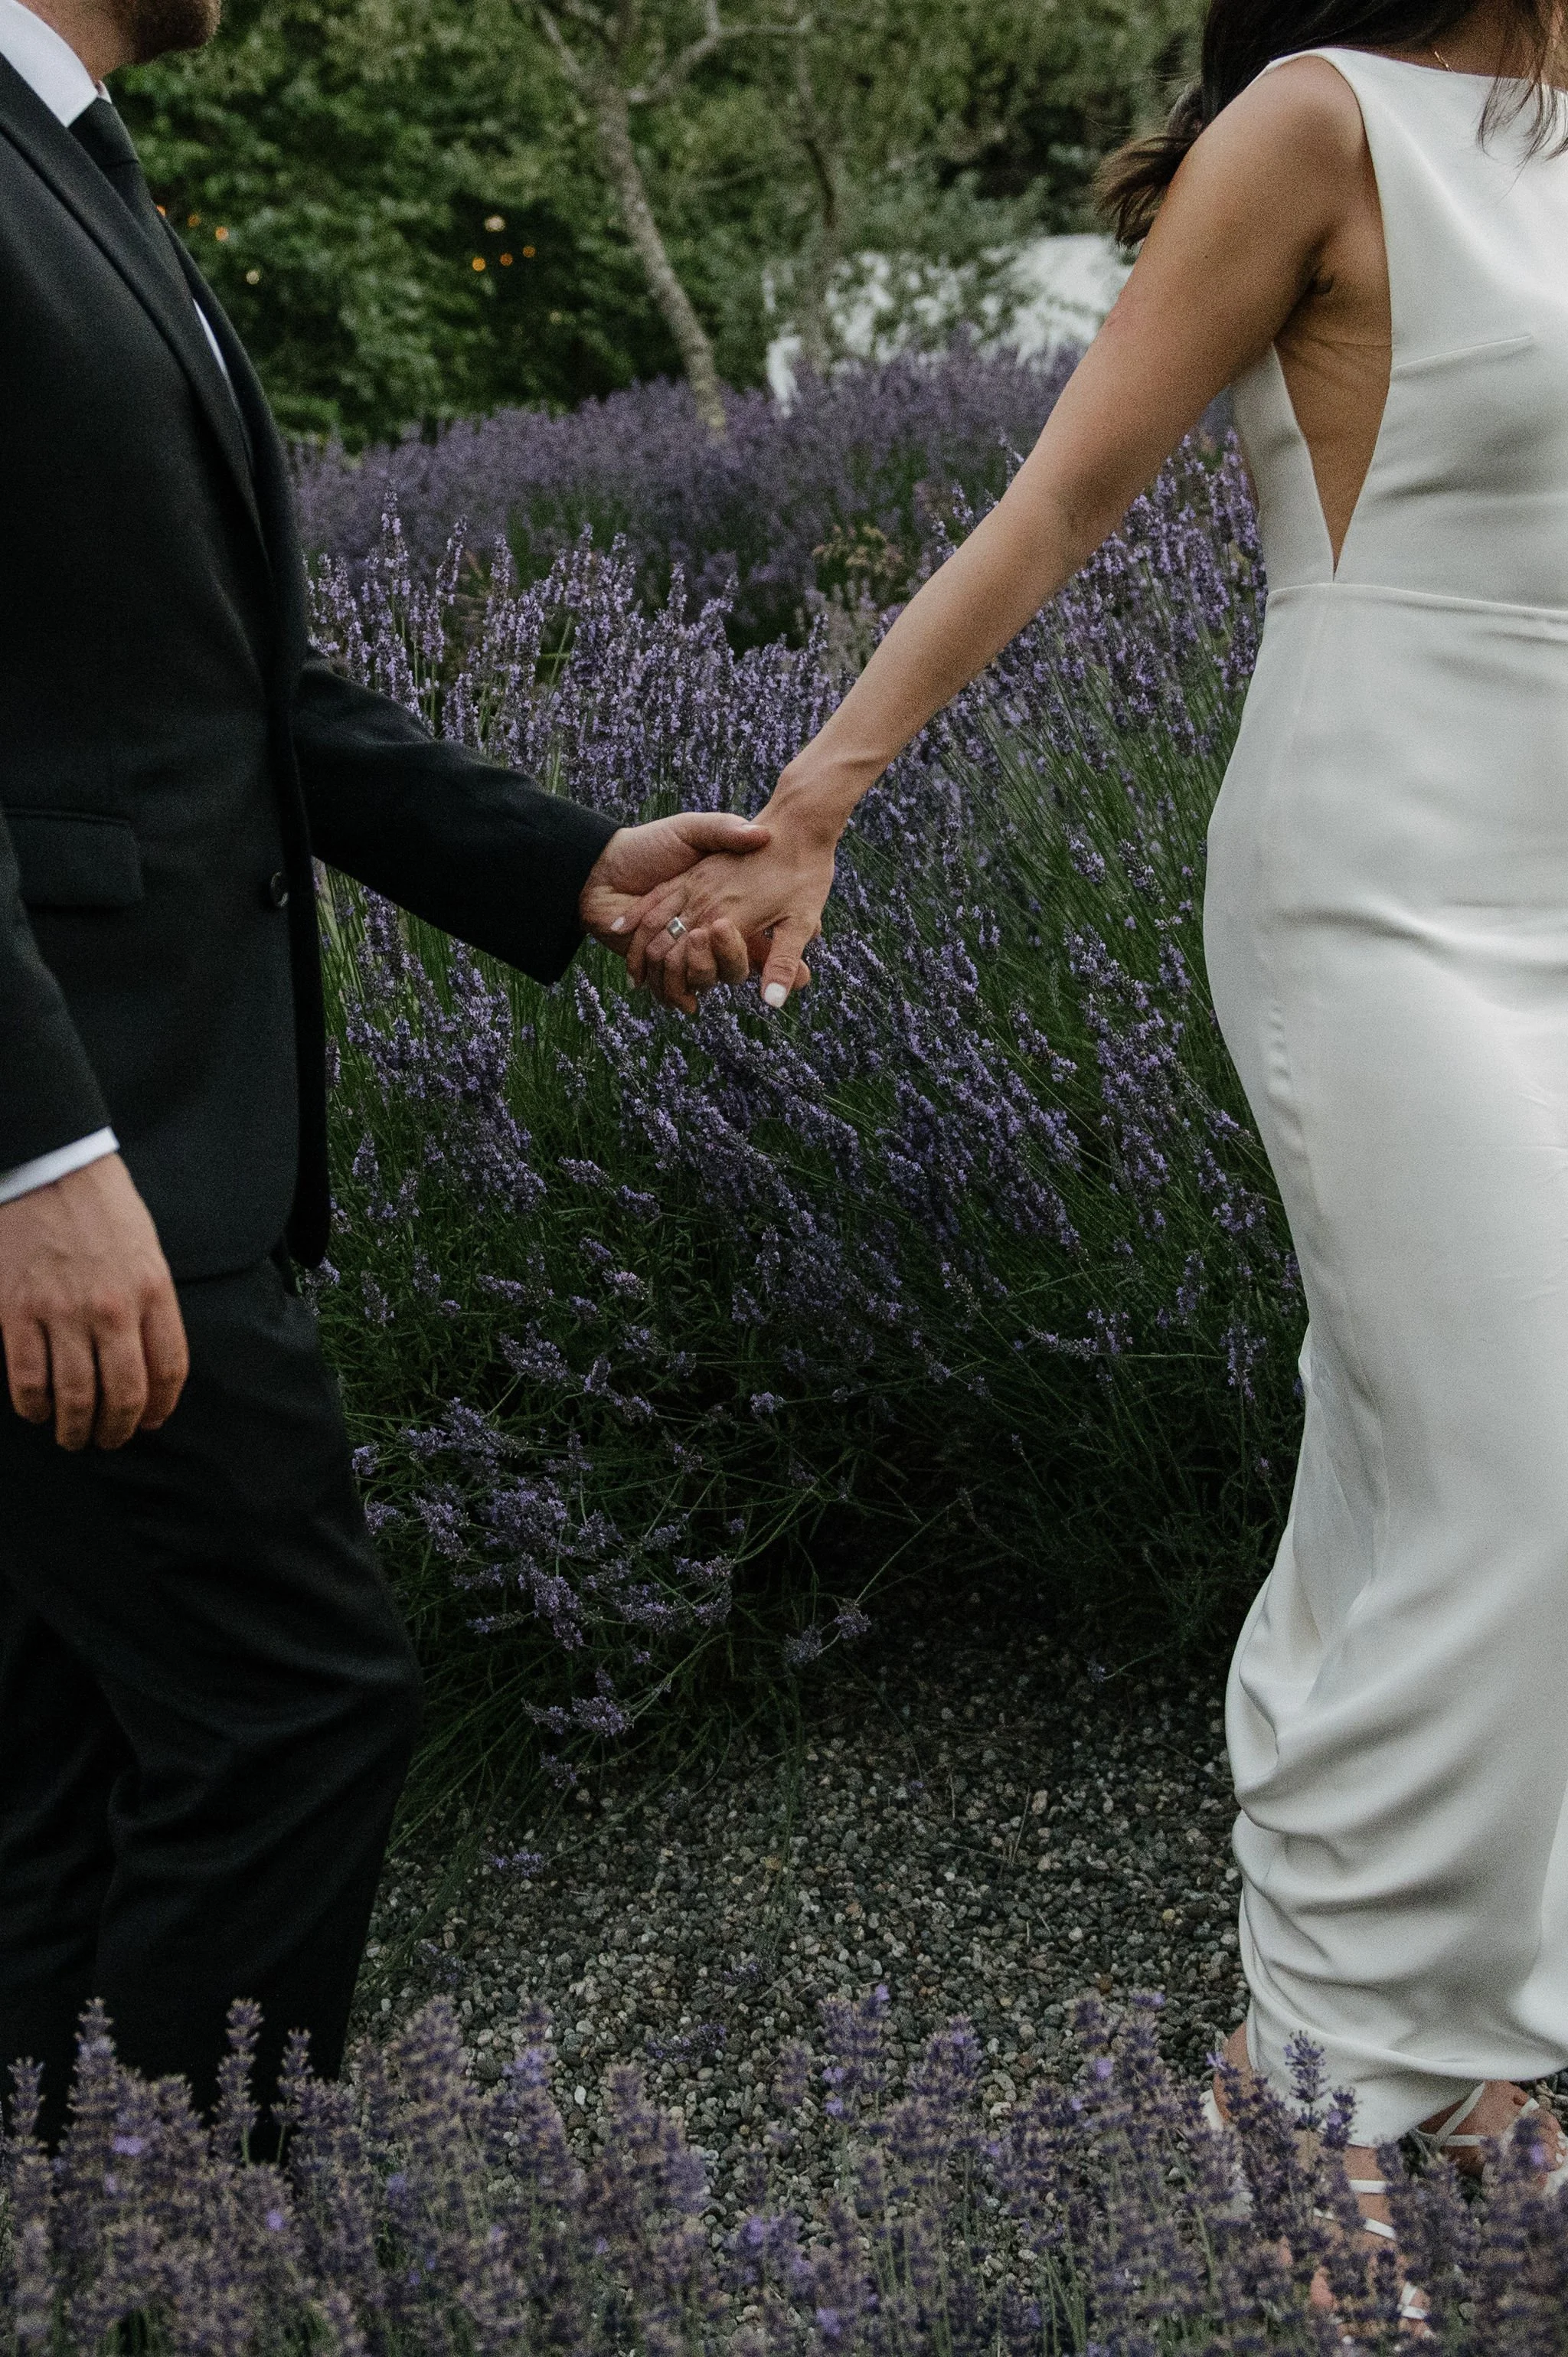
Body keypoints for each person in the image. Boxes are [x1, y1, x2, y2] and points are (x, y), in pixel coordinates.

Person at [627, 0, 1568, 2314]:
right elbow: (1061, 493)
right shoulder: (1321, 124)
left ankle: (1430, 2053)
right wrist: (823, 796)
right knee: (1520, 1467)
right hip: (1384, 894)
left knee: (1411, 1466)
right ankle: (1314, 2086)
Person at [0, 0, 769, 2145]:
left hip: (142, 1130)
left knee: (69, 1753)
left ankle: (76, 2250)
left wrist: (566, 865)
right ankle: (184, 2268)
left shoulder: (69, 156)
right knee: (293, 1705)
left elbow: (207, 693)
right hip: (87, 1149)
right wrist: (31, 1154)